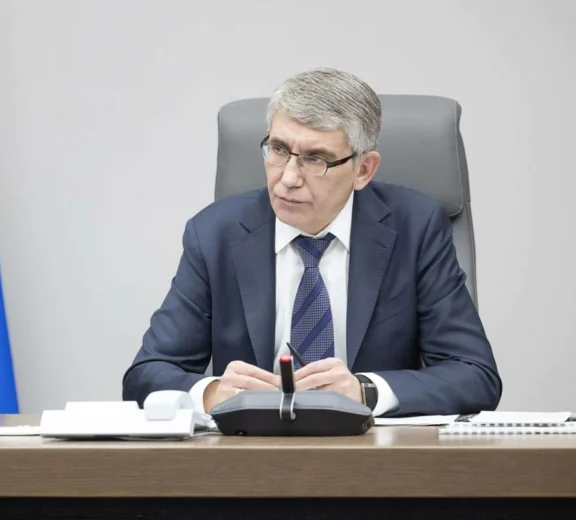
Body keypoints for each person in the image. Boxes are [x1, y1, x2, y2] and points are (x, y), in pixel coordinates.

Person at [121, 67, 501, 417]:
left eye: (315, 159)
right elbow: (146, 375)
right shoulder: (214, 233)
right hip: (249, 453)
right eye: (279, 150)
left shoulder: (416, 228)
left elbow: (475, 375)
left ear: (363, 169)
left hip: (372, 455)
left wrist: (364, 391)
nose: (288, 178)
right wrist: (211, 393)